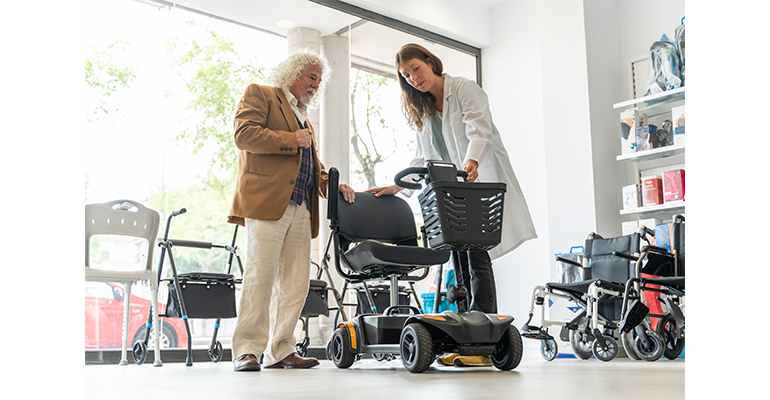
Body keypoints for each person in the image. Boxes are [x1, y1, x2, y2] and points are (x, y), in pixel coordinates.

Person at [365, 43, 537, 367]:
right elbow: (423, 156)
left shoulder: (464, 89)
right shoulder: (425, 110)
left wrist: (471, 161)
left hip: (476, 180)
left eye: (416, 69)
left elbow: (479, 129)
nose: (413, 78)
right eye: (406, 75)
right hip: (450, 192)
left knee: (476, 255)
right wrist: (396, 186)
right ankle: (464, 332)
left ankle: (482, 340)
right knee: (457, 254)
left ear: (430, 63)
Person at [228, 49, 355, 372]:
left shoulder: (305, 119)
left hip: (301, 208)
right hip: (267, 202)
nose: (316, 83)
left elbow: (312, 165)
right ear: (293, 73)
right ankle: (247, 350)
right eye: (311, 76)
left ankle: (281, 348)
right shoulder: (262, 95)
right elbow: (244, 135)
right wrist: (290, 139)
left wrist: (332, 184)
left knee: (295, 282)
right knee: (260, 276)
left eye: (319, 79)